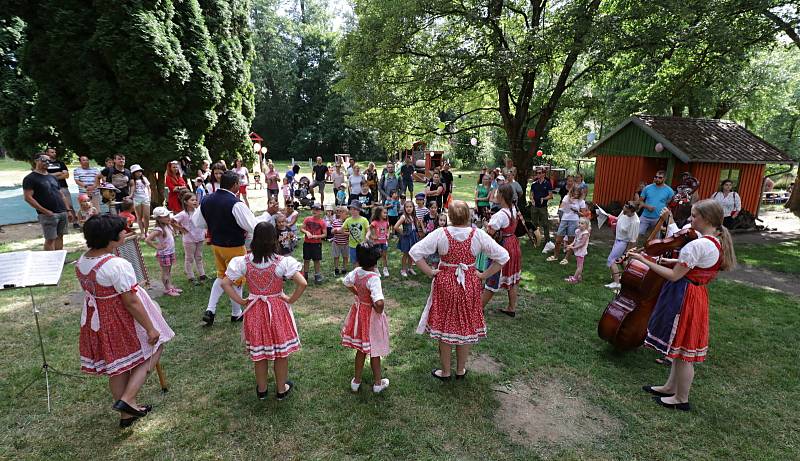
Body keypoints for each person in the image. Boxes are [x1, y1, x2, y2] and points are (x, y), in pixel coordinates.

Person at [628, 200, 737, 412]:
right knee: (678, 348)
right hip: (695, 293)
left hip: (685, 296)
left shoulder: (697, 245)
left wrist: (645, 260)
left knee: (684, 352)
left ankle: (681, 398)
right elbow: (687, 266)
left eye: (694, 216)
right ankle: (670, 387)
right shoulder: (714, 242)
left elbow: (675, 275)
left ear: (706, 219)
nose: (690, 219)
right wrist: (660, 260)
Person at [76, 214, 174, 428]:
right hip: (120, 318)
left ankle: (126, 414)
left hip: (99, 318)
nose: (126, 232)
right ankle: (128, 400)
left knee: (118, 366)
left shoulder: (83, 260)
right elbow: (131, 301)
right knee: (154, 347)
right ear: (110, 238)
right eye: (122, 230)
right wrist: (150, 328)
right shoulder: (116, 265)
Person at [410, 200, 509, 380]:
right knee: (465, 327)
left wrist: (430, 272)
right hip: (469, 283)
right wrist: (484, 275)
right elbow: (503, 256)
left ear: (450, 217)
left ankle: (446, 371)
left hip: (446, 283)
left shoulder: (441, 233)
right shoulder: (478, 234)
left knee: (445, 325)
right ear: (468, 216)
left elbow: (415, 252)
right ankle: (460, 370)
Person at [221, 222, 307, 401]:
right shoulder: (282, 262)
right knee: (280, 353)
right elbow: (302, 283)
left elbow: (225, 283)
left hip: (255, 310)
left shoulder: (244, 261)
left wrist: (242, 301)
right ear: (274, 240)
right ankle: (281, 389)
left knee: (259, 354)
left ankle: (262, 390)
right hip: (276, 309)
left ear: (254, 239)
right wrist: (290, 299)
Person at [193, 170, 257, 326]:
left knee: (222, 276)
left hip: (217, 245)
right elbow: (251, 225)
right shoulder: (235, 203)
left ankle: (210, 309)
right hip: (234, 246)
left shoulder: (206, 200)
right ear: (235, 185)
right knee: (236, 279)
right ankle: (236, 314)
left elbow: (198, 222)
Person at [341, 244, 390, 393]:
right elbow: (379, 301)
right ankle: (377, 383)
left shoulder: (356, 272)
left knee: (361, 349)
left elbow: (346, 281)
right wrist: (378, 309)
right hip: (371, 317)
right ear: (375, 261)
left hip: (359, 313)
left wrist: (357, 293)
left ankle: (356, 381)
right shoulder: (374, 278)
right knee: (374, 350)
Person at [481, 185, 523, 317]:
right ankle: (511, 308)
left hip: (503, 246)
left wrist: (486, 225)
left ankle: (478, 308)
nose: (495, 195)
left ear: (502, 196)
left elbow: (490, 233)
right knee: (512, 279)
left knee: (493, 277)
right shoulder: (513, 209)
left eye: (497, 193)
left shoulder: (499, 215)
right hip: (513, 244)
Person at [23, 153, 71, 251]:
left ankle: (60, 260)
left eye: (49, 160)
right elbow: (28, 198)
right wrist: (45, 211)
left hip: (62, 212)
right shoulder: (30, 178)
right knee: (50, 239)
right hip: (48, 214)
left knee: (60, 236)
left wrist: (68, 210)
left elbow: (61, 194)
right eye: (44, 160)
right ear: (36, 161)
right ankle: (49, 262)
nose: (47, 162)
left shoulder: (52, 177)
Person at [145, 207, 181, 297]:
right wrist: (157, 246)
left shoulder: (167, 225)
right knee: (165, 271)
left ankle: (170, 286)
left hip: (170, 252)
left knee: (168, 271)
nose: (168, 217)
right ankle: (168, 289)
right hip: (164, 254)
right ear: (159, 218)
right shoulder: (158, 229)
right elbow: (147, 240)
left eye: (168, 215)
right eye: (165, 216)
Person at [547, 186, 588, 263]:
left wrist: (576, 211)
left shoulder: (581, 201)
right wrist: (568, 203)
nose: (575, 195)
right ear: (571, 191)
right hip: (564, 219)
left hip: (574, 221)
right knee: (558, 240)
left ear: (580, 193)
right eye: (574, 193)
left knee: (571, 240)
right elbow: (561, 207)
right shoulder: (566, 197)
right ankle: (555, 256)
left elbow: (584, 214)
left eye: (577, 193)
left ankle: (566, 258)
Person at [604, 203, 640, 289]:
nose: (623, 212)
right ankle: (628, 279)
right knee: (622, 262)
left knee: (611, 260)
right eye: (623, 209)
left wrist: (627, 252)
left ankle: (616, 282)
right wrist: (610, 216)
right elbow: (618, 219)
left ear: (632, 212)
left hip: (624, 242)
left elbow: (633, 240)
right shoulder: (625, 211)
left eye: (626, 212)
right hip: (618, 239)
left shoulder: (635, 222)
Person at [174, 192, 207, 285]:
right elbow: (172, 221)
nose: (194, 201)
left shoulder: (198, 211)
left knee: (199, 257)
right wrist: (181, 229)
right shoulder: (183, 214)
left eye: (195, 200)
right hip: (189, 240)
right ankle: (190, 276)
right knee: (189, 258)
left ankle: (202, 274)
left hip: (200, 237)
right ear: (185, 202)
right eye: (192, 200)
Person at [45, 147, 79, 228]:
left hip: (63, 187)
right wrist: (59, 172)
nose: (54, 153)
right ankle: (57, 223)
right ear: (47, 153)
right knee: (54, 206)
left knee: (69, 205)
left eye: (54, 152)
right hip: (50, 188)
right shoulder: (45, 164)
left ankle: (75, 222)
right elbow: (45, 175)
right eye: (52, 152)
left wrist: (52, 176)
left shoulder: (61, 163)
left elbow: (66, 175)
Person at [638, 171, 675, 240]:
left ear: (664, 178)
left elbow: (670, 204)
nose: (657, 179)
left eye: (660, 177)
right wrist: (647, 206)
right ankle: (632, 250)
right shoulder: (647, 188)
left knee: (655, 239)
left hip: (658, 218)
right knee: (637, 235)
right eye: (656, 177)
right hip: (645, 216)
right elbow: (640, 201)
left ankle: (649, 250)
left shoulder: (669, 191)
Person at [394, 200, 424, 277]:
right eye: (407, 207)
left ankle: (410, 268)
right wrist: (402, 233)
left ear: (413, 208)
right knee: (406, 254)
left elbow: (415, 226)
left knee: (411, 253)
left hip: (413, 236)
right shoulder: (403, 217)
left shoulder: (414, 216)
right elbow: (396, 227)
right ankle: (403, 269)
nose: (409, 208)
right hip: (406, 238)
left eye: (410, 207)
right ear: (404, 208)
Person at [301, 203, 327, 283]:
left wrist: (317, 237)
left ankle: (317, 275)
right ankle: (305, 274)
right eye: (313, 209)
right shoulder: (307, 219)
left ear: (321, 212)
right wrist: (306, 232)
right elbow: (302, 228)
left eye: (317, 209)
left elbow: (325, 234)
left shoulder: (322, 222)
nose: (314, 211)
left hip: (316, 244)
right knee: (306, 259)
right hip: (307, 243)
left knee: (316, 260)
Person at [343, 201, 371, 268]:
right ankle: (356, 274)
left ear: (359, 210)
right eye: (351, 209)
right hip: (352, 246)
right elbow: (342, 229)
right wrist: (347, 233)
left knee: (362, 261)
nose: (352, 211)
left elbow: (369, 231)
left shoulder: (364, 220)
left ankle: (362, 273)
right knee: (354, 261)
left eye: (354, 209)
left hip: (362, 245)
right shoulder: (348, 220)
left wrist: (367, 236)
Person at [529, 167, 553, 244]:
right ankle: (535, 239)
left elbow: (551, 196)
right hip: (534, 206)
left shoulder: (547, 183)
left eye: (539, 173)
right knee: (534, 224)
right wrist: (532, 199)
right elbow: (531, 194)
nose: (538, 174)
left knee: (545, 224)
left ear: (543, 174)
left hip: (543, 207)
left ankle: (547, 240)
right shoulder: (534, 184)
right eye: (537, 173)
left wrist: (544, 198)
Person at [563, 217, 590, 284]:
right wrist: (571, 245)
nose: (580, 224)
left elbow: (582, 243)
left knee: (580, 266)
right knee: (578, 265)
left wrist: (573, 248)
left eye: (582, 223)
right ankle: (578, 276)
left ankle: (574, 279)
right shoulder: (578, 231)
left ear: (586, 225)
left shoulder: (585, 233)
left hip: (581, 251)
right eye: (579, 223)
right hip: (577, 249)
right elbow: (575, 240)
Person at [130, 164, 151, 236]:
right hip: (137, 199)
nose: (139, 173)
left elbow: (148, 188)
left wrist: (149, 196)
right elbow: (131, 190)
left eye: (140, 171)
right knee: (139, 217)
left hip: (145, 198)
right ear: (133, 173)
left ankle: (146, 231)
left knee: (147, 216)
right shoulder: (132, 181)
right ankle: (142, 232)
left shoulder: (144, 179)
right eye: (137, 171)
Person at [369, 206, 391, 276]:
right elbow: (369, 229)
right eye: (384, 213)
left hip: (384, 242)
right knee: (376, 256)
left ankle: (385, 269)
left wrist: (388, 234)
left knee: (384, 256)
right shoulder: (374, 222)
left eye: (386, 213)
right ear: (379, 213)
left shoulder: (386, 222)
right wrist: (372, 236)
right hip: (376, 243)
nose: (386, 214)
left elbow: (388, 229)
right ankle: (376, 269)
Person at [331, 206, 350, 275]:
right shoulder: (335, 222)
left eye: (347, 214)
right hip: (336, 242)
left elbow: (351, 233)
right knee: (336, 256)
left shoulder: (348, 223)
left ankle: (344, 268)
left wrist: (344, 233)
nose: (346, 215)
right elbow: (332, 231)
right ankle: (336, 269)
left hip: (346, 243)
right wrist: (335, 230)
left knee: (345, 256)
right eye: (341, 212)